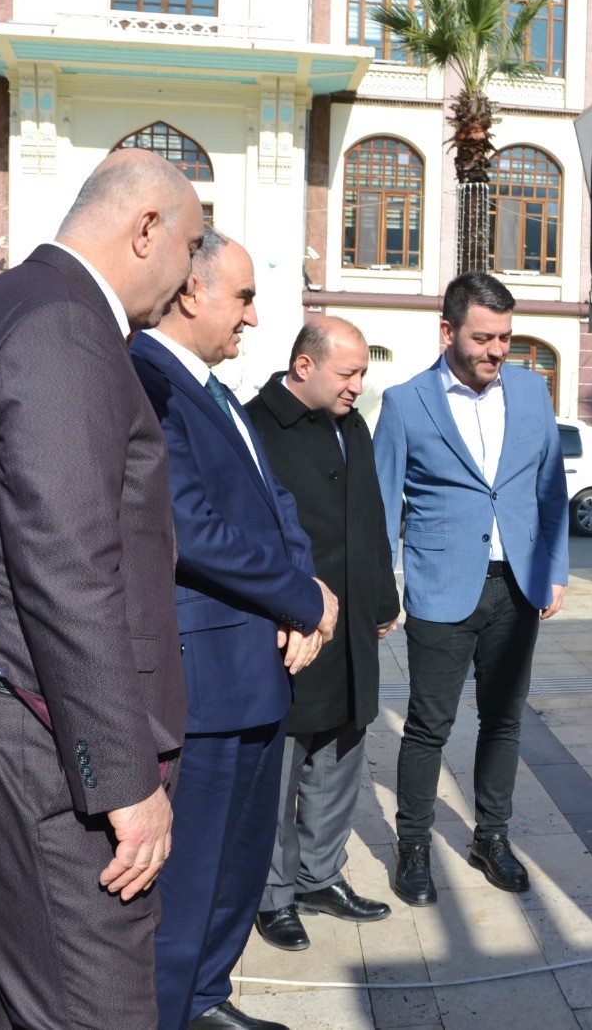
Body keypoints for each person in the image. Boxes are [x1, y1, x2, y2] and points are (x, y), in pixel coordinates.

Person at [0, 149, 204, 1029]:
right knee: (97, 1008)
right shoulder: (61, 323)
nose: (188, 278)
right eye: (190, 247)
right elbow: (67, 567)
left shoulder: (15, 305)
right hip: (38, 751)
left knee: (13, 995)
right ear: (146, 229)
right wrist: (124, 781)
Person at [132, 228, 336, 1030]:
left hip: (259, 671)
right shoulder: (146, 380)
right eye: (244, 297)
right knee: (191, 878)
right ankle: (168, 1012)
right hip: (205, 681)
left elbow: (277, 504)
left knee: (239, 867)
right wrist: (302, 600)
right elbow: (191, 527)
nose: (253, 317)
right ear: (192, 291)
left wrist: (305, 595)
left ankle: (207, 998)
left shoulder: (214, 391)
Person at [374, 272, 569, 906]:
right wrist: (381, 589)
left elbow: (550, 488)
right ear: (447, 331)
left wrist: (556, 568)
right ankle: (412, 845)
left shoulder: (532, 392)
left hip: (517, 586)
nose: (496, 350)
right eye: (483, 338)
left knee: (504, 720)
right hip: (440, 588)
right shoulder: (406, 402)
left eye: (505, 338)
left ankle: (491, 836)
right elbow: (382, 506)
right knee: (428, 725)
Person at [245, 317, 400, 952]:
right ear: (304, 366)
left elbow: (370, 515)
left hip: (352, 624)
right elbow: (247, 536)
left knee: (340, 755)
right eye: (348, 373)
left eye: (362, 373)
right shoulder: (256, 426)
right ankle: (273, 895)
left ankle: (320, 876)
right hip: (290, 629)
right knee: (282, 767)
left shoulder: (352, 425)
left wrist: (382, 597)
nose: (357, 386)